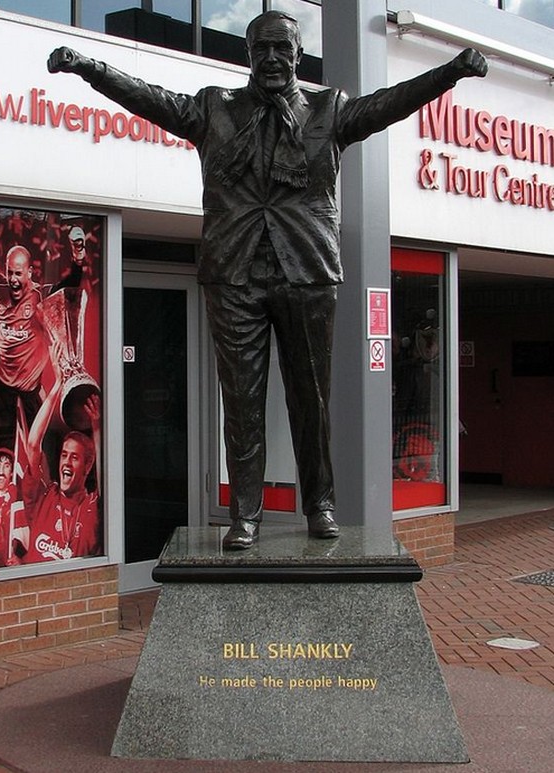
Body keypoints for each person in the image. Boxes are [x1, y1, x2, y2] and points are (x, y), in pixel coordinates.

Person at [47, 11, 487, 549]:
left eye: (283, 48)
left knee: (312, 399)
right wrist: (88, 66)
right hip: (234, 275)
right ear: (248, 55)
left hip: (305, 272)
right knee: (241, 402)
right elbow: (150, 98)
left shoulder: (329, 110)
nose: (273, 59)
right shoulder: (216, 108)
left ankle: (320, 505)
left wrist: (451, 72)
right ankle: (246, 514)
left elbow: (390, 103)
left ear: (298, 55)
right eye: (263, 49)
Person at [0, 243, 83, 454]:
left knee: (36, 454)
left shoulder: (40, 296)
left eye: (18, 274)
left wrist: (78, 261)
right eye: (10, 272)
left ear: (30, 273)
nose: (13, 279)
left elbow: (68, 287)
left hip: (28, 393)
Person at [23, 343, 101, 563]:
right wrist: (57, 386)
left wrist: (96, 427)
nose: (66, 462)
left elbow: (108, 476)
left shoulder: (90, 507)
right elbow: (32, 444)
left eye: (74, 457)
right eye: (64, 455)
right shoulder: (45, 497)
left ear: (87, 466)